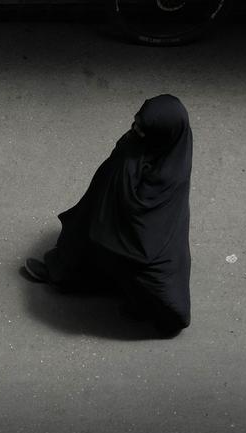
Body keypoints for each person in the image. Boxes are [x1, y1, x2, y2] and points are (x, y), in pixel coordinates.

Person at [24, 94, 192, 336]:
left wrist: (126, 172)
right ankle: (61, 273)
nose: (134, 130)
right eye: (136, 123)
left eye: (142, 129)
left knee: (156, 287)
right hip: (106, 211)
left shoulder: (167, 173)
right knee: (81, 233)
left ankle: (141, 305)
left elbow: (149, 227)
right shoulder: (149, 144)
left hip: (142, 239)